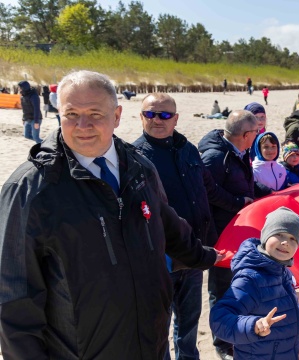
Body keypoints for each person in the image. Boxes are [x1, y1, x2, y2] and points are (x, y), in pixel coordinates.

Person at [0, 70, 221, 359]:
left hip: (151, 344)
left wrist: (209, 256)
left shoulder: (140, 168)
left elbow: (165, 223)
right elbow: (14, 300)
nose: (83, 125)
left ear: (116, 116)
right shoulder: (30, 189)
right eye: (71, 114)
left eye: (95, 114)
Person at [132, 93, 219, 360]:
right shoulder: (133, 158)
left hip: (193, 252)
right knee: (160, 324)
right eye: (150, 114)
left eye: (165, 115)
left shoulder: (188, 149)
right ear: (141, 117)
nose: (157, 120)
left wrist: (242, 201)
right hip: (160, 259)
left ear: (176, 118)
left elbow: (208, 190)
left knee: (189, 322)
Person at [210, 207, 299, 360]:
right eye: (279, 234)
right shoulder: (251, 279)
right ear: (265, 236)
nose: (285, 242)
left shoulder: (283, 273)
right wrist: (254, 326)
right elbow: (219, 318)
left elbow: (286, 314)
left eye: (293, 238)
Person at [198, 110, 260, 359]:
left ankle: (236, 333)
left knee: (239, 285)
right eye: (255, 133)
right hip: (220, 235)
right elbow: (207, 192)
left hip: (236, 232)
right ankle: (222, 342)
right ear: (245, 134)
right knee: (221, 290)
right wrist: (237, 202)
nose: (256, 137)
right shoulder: (215, 157)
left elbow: (245, 183)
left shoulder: (238, 152)